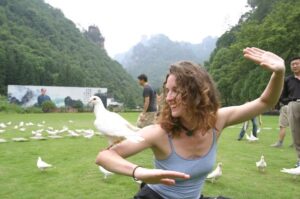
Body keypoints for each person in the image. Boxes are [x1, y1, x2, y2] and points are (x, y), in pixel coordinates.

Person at [96, 47, 285, 199]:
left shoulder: (217, 120)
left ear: (197, 92)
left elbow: (264, 102)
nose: (168, 98)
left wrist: (278, 73)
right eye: (167, 90)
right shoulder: (159, 133)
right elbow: (105, 157)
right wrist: (139, 172)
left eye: (176, 91)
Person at [280, 56, 300, 167]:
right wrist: (291, 101)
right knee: (296, 133)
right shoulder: (288, 80)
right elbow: (282, 96)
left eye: (297, 63)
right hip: (293, 106)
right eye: (292, 64)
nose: (295, 66)